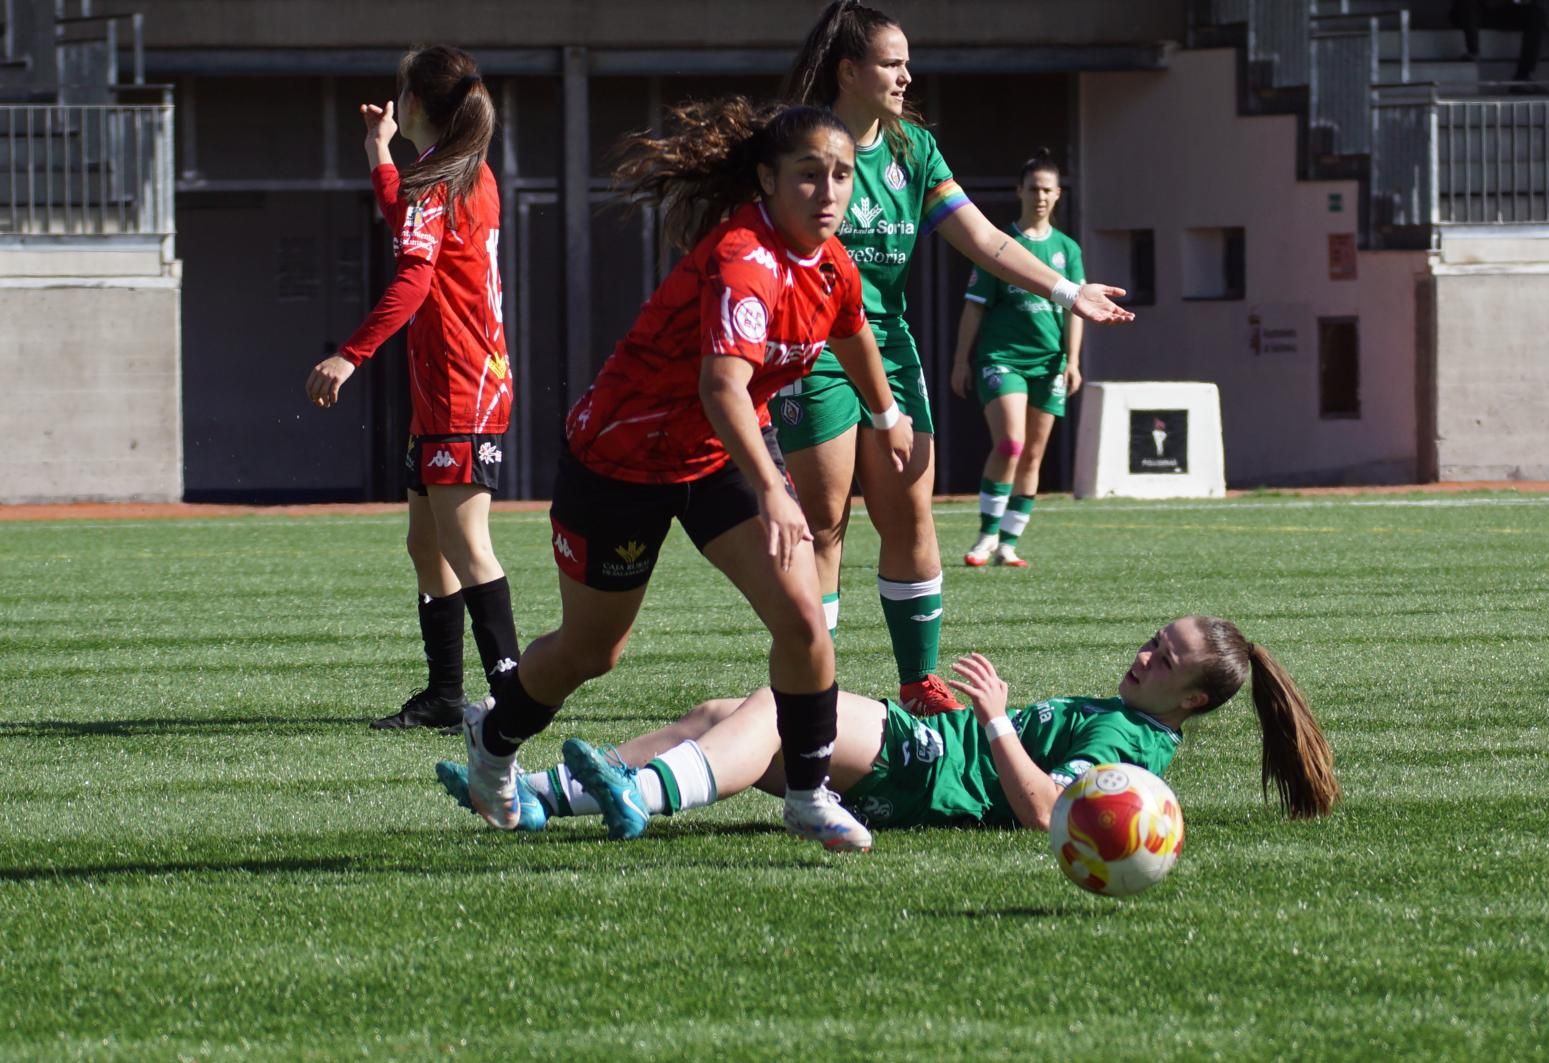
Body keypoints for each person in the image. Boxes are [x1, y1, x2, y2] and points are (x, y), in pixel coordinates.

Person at [460, 100, 916, 853]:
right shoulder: (747, 257)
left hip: (715, 459)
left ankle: (805, 794)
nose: (829, 192)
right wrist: (773, 486)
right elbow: (721, 387)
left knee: (804, 618)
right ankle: (495, 734)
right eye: (809, 175)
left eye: (841, 175)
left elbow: (853, 330)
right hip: (621, 460)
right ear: (767, 180)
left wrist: (887, 411)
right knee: (591, 650)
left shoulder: (830, 260)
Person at [775, 0, 1134, 716]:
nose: (909, 75)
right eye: (892, 62)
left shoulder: (914, 149)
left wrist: (1068, 291)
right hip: (813, 348)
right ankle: (815, 685)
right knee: (826, 520)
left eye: (908, 61)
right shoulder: (803, 144)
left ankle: (919, 681)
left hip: (891, 346)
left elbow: (985, 241)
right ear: (851, 71)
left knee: (911, 508)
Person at [435, 615, 1340, 842]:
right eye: (1153, 639)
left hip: (927, 769)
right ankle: (544, 800)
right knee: (724, 715)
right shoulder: (1135, 718)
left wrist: (993, 723)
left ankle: (639, 792)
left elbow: (1043, 812)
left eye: (1164, 658)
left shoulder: (1140, 750)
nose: (1144, 656)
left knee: (785, 703)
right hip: (931, 754)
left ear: (1189, 701)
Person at [304, 46, 519, 731]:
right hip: (447, 384)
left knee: (464, 543)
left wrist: (350, 355)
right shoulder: (455, 175)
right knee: (426, 545)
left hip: (460, 383)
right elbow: (406, 217)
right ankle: (445, 697)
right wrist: (379, 149)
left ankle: (514, 695)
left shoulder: (442, 183)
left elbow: (413, 276)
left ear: (419, 105)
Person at [949, 149, 1083, 569]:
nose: (1040, 197)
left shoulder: (1067, 249)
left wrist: (1072, 359)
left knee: (1033, 454)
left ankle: (1009, 543)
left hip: (1049, 361)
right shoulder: (1001, 245)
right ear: (1019, 191)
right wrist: (960, 361)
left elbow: (1075, 307)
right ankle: (986, 535)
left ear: (1058, 194)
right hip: (1002, 357)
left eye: (1047, 190)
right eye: (1033, 189)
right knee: (1010, 442)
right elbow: (973, 307)